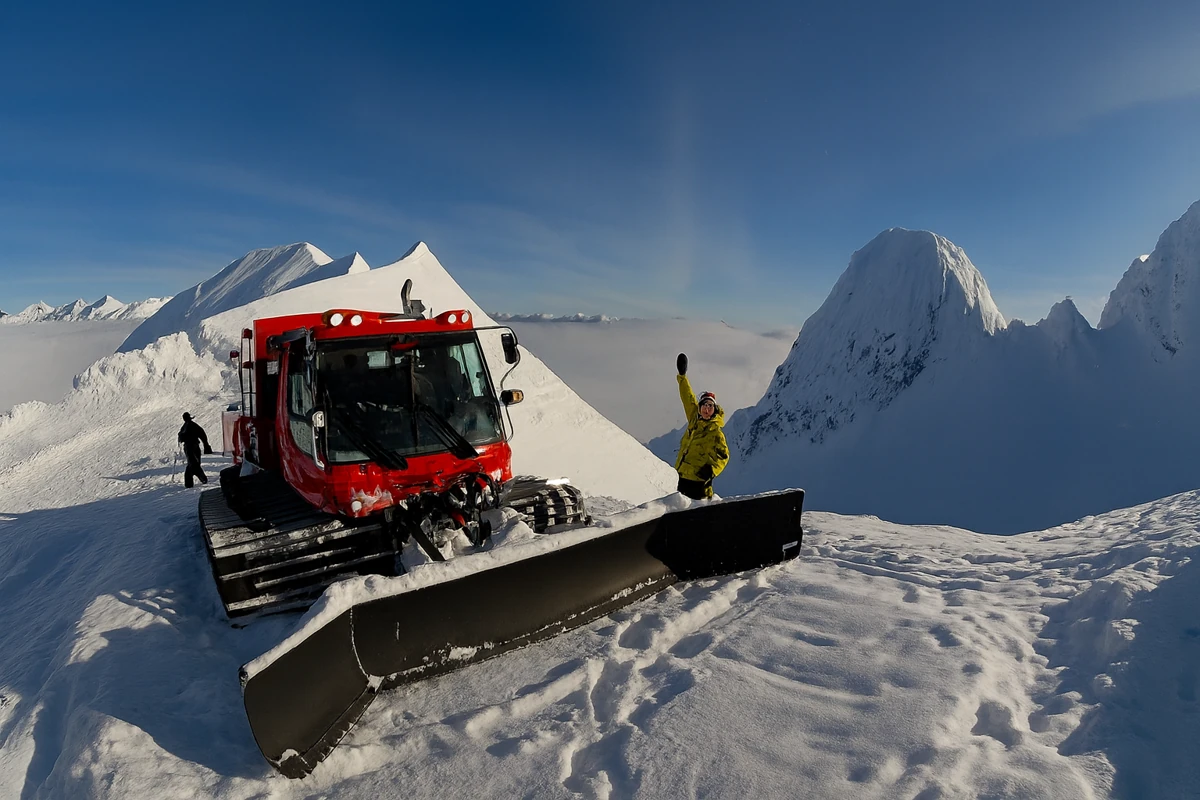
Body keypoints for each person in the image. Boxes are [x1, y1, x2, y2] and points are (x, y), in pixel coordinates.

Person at [673, 353, 729, 500]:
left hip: (699, 483)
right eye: (704, 405)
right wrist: (682, 376)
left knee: (698, 516)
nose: (706, 409)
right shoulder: (694, 419)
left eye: (710, 406)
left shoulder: (715, 432)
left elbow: (723, 456)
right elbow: (688, 398)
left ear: (714, 410)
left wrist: (711, 471)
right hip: (682, 476)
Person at [178, 412, 213, 488]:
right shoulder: (190, 426)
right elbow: (202, 434)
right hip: (193, 446)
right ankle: (198, 479)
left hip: (190, 446)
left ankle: (191, 481)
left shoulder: (185, 427)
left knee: (193, 463)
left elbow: (181, 437)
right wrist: (206, 445)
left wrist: (206, 445)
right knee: (193, 463)